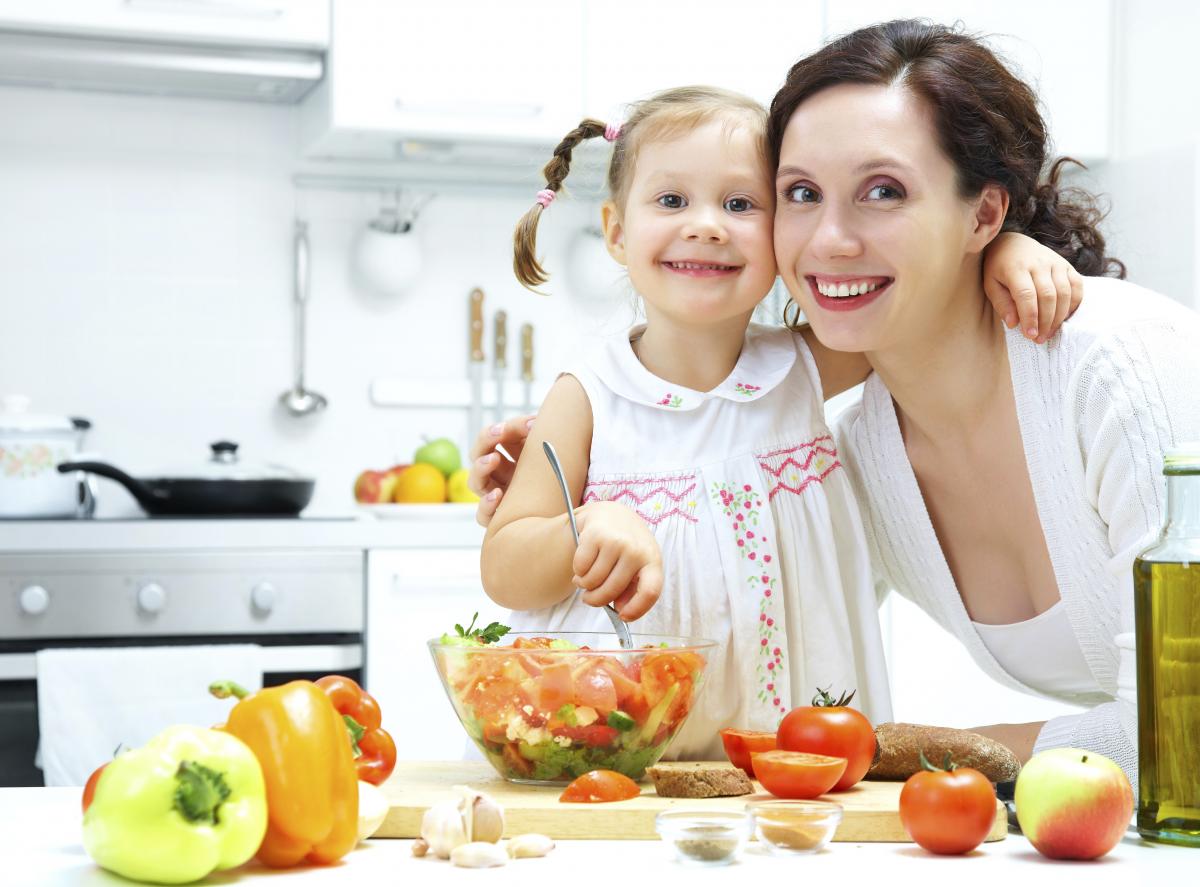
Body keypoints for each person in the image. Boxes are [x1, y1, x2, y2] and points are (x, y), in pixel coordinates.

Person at [479, 83, 1080, 760]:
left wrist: (1004, 252)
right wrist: (587, 526)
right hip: (618, 750)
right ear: (617, 231)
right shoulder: (589, 393)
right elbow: (504, 567)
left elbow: (928, 301)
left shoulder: (806, 367)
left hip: (795, 760)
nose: (707, 225)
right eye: (671, 201)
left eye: (740, 204)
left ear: (778, 234)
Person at [765, 20, 1200, 786]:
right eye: (801, 193)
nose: (829, 239)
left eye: (884, 191)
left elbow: (1182, 726)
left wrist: (933, 752)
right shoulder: (858, 454)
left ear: (984, 216)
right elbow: (766, 648)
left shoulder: (1116, 366)